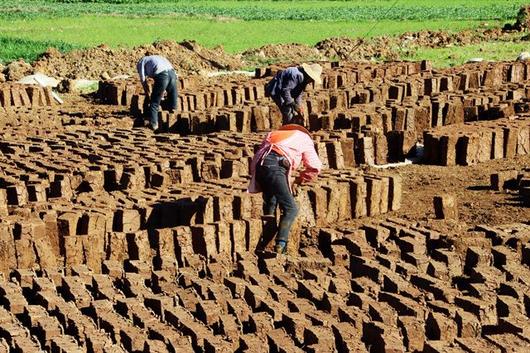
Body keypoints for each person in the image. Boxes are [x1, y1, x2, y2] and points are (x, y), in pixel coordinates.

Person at [248, 122, 322, 254]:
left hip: (259, 167)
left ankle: (261, 243)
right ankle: (280, 245)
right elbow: (315, 166)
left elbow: (264, 154)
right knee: (291, 208)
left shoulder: (273, 134)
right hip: (275, 167)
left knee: (271, 205)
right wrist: (300, 180)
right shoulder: (304, 138)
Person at [136, 54, 178, 131]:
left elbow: (143, 78)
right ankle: (174, 125)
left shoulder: (141, 62)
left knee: (154, 103)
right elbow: (172, 73)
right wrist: (164, 89)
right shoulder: (159, 57)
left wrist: (147, 92)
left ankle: (154, 125)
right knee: (173, 102)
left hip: (162, 75)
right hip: (173, 75)